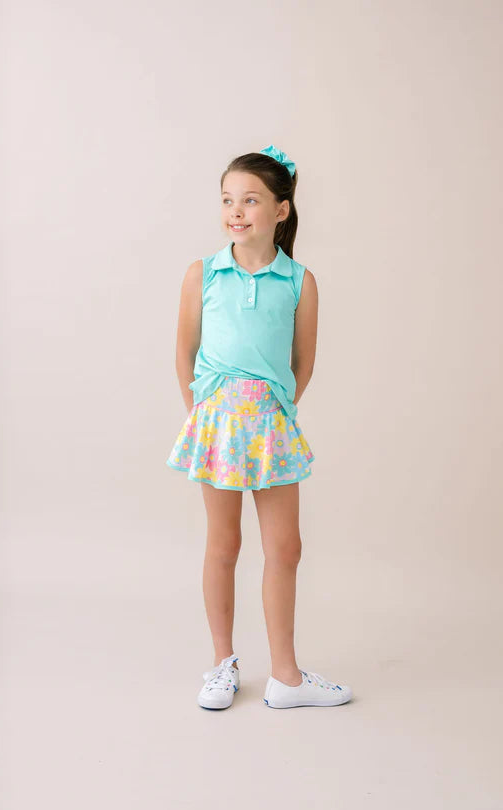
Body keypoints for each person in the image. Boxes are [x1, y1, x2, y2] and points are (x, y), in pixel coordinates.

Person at [166, 144, 353, 710]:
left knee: (286, 547)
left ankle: (286, 677)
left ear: (281, 209)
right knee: (224, 544)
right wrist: (202, 412)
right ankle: (222, 665)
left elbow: (303, 361)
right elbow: (184, 352)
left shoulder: (299, 281)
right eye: (228, 200)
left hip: (270, 424)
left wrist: (275, 410)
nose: (236, 211)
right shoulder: (203, 273)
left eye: (250, 200)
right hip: (217, 423)